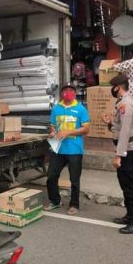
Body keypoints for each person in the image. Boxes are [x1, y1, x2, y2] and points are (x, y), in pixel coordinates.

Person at [102, 74, 133, 234]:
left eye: (113, 88)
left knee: (131, 186)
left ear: (117, 87)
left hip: (128, 150)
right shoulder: (121, 102)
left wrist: (119, 155)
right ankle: (130, 215)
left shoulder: (126, 103)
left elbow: (125, 132)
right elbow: (120, 126)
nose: (112, 90)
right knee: (125, 185)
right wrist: (110, 123)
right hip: (126, 149)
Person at [46, 84, 90, 215]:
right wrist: (53, 132)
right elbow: (53, 125)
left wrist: (68, 132)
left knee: (74, 180)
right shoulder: (56, 108)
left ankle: (74, 204)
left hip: (74, 150)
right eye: (66, 91)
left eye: (71, 91)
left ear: (74, 94)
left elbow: (86, 129)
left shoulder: (80, 109)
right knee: (51, 177)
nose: (69, 93)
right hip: (58, 149)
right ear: (62, 93)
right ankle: (55, 201)